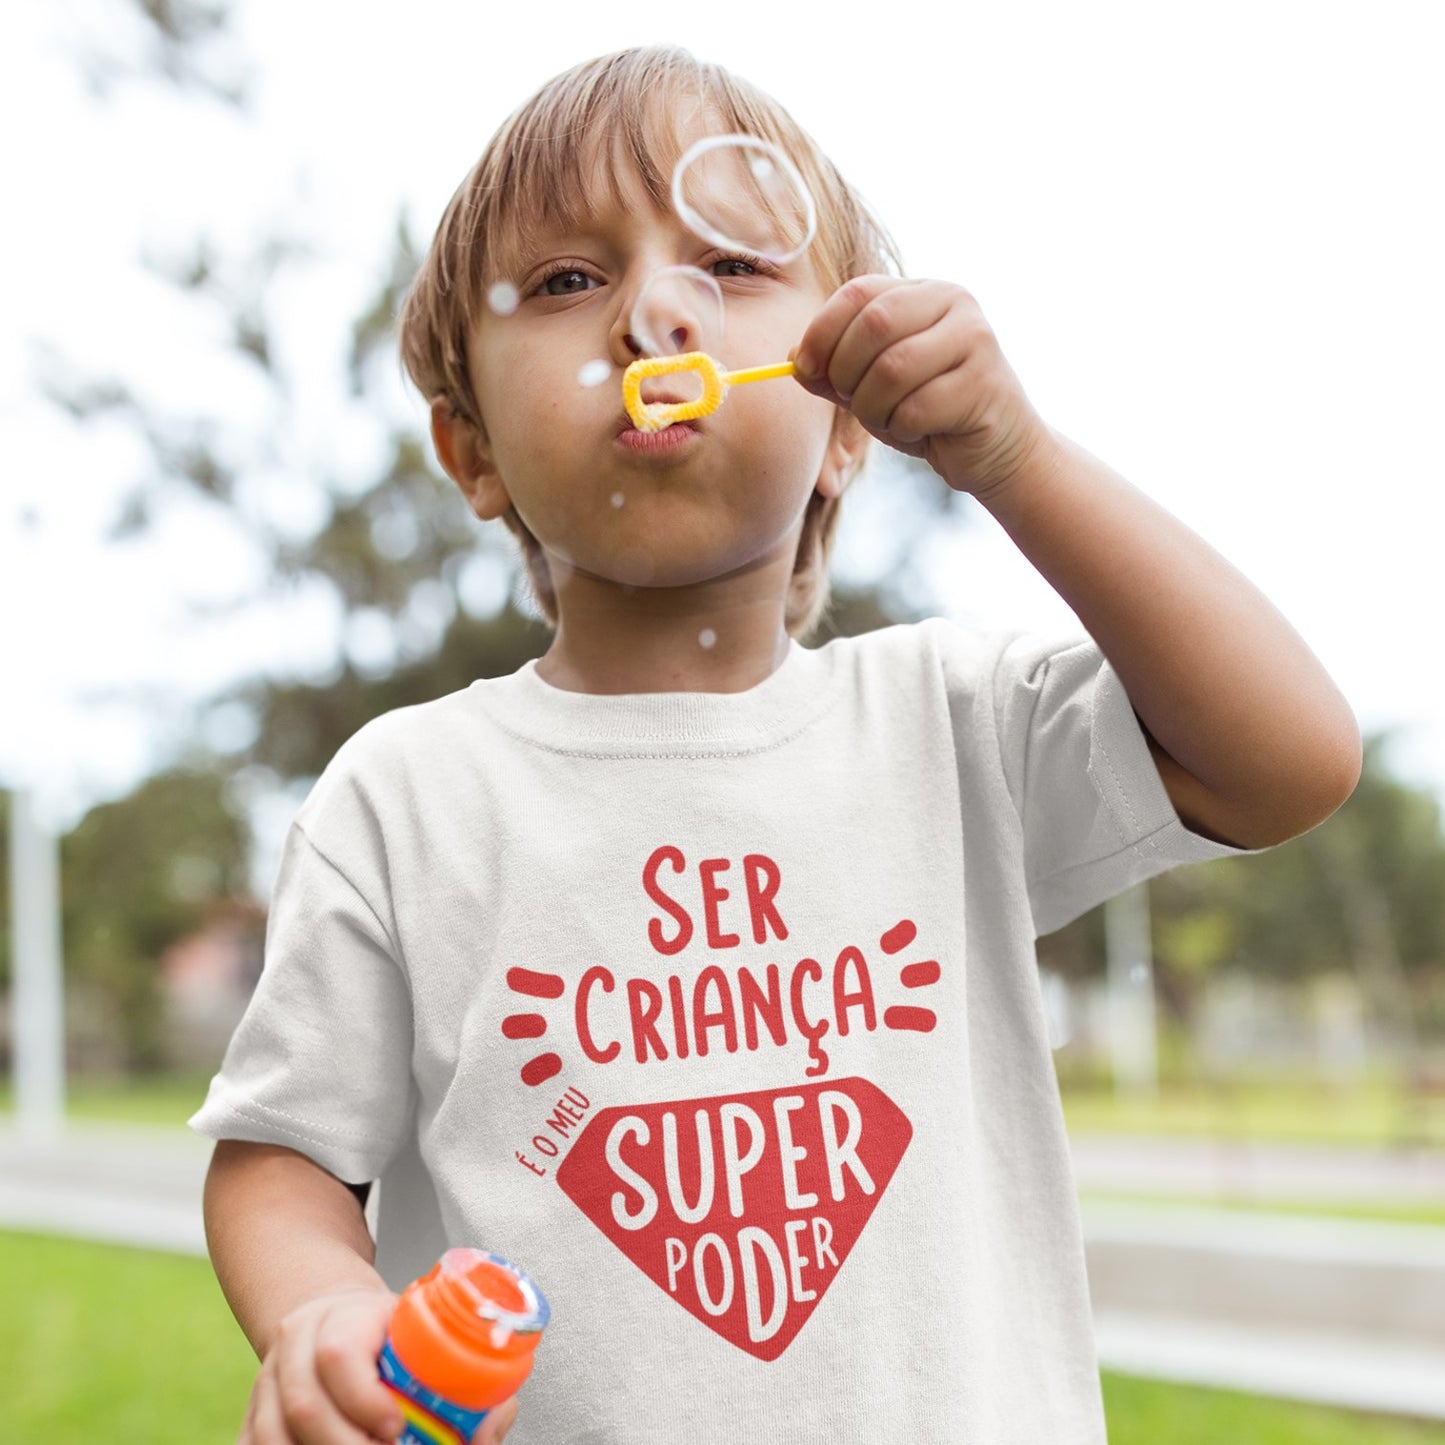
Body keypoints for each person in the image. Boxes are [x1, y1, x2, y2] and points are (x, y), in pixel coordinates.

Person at [192, 45, 1361, 1445]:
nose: (653, 315)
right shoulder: (410, 795)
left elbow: (1287, 757)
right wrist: (321, 1305)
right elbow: (282, 1156)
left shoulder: (953, 724)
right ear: (472, 453)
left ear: (848, 419)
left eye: (733, 265)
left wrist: (1014, 456)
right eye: (568, 281)